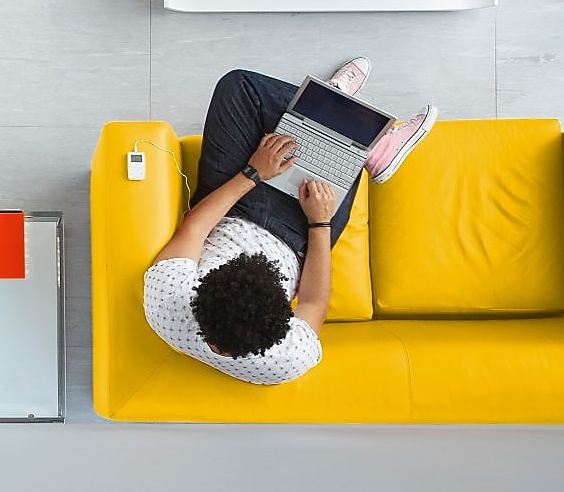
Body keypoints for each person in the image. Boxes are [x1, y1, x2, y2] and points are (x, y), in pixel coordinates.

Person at [142, 59, 438, 385]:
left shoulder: (167, 303)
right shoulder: (286, 360)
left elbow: (195, 229)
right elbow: (312, 301)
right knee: (334, 157)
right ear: (282, 321)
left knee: (240, 86)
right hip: (299, 234)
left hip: (230, 211)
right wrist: (320, 223)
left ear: (198, 294)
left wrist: (254, 173)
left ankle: (328, 106)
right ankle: (366, 140)